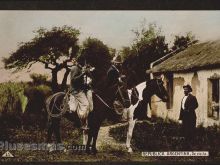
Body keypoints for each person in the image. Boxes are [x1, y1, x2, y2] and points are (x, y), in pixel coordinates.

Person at [68, 58, 94, 130]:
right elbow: (73, 80)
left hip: (80, 89)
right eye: (83, 62)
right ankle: (82, 123)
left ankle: (85, 122)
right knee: (86, 104)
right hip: (76, 91)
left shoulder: (79, 68)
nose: (84, 64)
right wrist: (83, 73)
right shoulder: (75, 68)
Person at [179, 84, 198, 149]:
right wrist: (181, 117)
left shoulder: (192, 97)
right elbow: (182, 108)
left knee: (191, 129)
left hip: (191, 116)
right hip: (184, 116)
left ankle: (192, 144)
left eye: (186, 89)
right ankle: (186, 144)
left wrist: (189, 109)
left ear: (189, 90)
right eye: (184, 89)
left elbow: (196, 105)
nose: (185, 90)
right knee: (185, 129)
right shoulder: (183, 98)